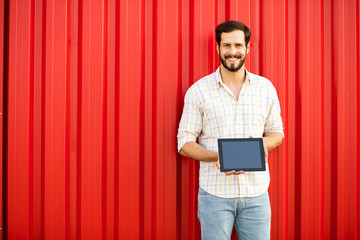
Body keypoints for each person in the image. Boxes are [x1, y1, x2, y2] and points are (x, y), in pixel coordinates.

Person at [177, 20, 284, 240]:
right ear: (218, 48)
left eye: (238, 45)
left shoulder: (265, 88)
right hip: (215, 196)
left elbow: (277, 132)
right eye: (226, 46)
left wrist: (261, 145)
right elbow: (184, 142)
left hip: (256, 195)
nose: (232, 52)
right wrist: (220, 157)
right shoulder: (198, 91)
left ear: (247, 47)